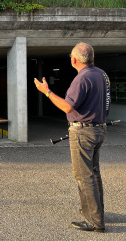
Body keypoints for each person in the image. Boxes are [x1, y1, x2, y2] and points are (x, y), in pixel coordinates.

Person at [34, 42, 110, 233]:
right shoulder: (102, 74)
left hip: (83, 131)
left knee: (84, 176)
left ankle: (95, 221)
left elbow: (68, 107)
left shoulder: (82, 79)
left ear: (74, 59)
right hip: (99, 129)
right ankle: (96, 212)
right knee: (94, 173)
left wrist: (47, 92)